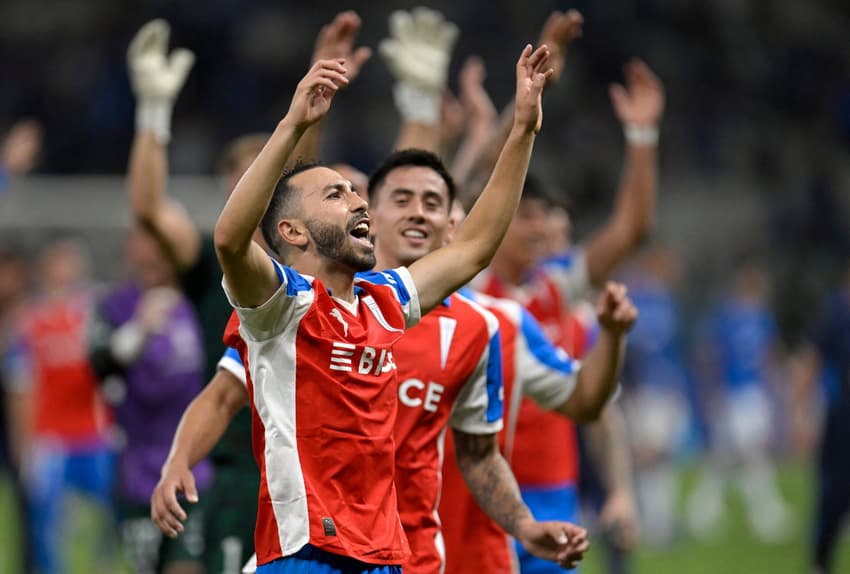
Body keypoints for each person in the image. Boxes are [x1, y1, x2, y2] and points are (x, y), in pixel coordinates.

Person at [210, 38, 561, 572]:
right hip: (307, 553)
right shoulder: (279, 305)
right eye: (335, 195)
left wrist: (522, 130)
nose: (357, 201)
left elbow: (473, 247)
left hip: (386, 557)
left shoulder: (383, 302)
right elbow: (231, 240)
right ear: (291, 231)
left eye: (356, 194)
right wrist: (292, 127)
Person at [125, 13, 370, 570]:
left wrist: (318, 88)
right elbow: (147, 208)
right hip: (237, 466)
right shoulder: (220, 263)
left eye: (263, 171)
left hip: (316, 473)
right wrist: (153, 110)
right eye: (243, 174)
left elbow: (309, 178)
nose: (253, 183)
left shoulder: (306, 276)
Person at [87, 224, 209, 574]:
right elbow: (100, 367)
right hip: (140, 471)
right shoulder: (115, 307)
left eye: (160, 245)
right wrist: (138, 329)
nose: (152, 255)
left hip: (195, 467)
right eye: (144, 244)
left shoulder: (199, 301)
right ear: (130, 250)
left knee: (187, 566)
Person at [9, 238, 116, 574]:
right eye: (58, 262)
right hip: (51, 440)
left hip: (94, 437)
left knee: (109, 522)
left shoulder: (94, 313)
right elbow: (21, 390)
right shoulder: (28, 322)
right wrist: (24, 449)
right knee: (49, 532)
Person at [686, 258, 792, 544]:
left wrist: (775, 390)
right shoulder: (727, 317)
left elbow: (769, 355)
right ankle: (758, 515)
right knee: (739, 457)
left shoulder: (762, 317)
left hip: (753, 394)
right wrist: (712, 391)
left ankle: (709, 514)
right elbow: (710, 354)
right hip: (733, 395)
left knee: (739, 457)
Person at [792, 263, 850, 574]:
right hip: (842, 424)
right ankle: (820, 564)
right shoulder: (837, 313)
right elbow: (808, 361)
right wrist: (800, 417)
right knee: (832, 498)